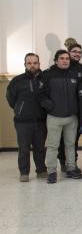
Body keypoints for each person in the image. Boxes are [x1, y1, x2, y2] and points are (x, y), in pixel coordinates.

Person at [39, 50, 82, 183]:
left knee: (70, 145)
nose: (65, 61)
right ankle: (51, 172)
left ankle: (71, 168)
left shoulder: (74, 75)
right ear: (56, 60)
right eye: (62, 58)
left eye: (67, 59)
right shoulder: (48, 75)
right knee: (53, 146)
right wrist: (51, 107)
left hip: (72, 117)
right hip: (54, 117)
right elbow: (41, 95)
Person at [6, 53, 47, 182]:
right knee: (23, 149)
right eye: (29, 63)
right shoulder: (17, 80)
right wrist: (20, 109)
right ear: (25, 65)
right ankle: (24, 173)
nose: (32, 65)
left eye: (35, 63)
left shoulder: (45, 79)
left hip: (41, 121)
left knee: (40, 148)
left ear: (39, 64)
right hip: (22, 122)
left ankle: (41, 170)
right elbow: (10, 99)